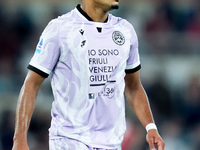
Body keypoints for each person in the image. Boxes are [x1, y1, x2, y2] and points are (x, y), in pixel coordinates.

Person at [12, 0, 165, 150]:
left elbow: (133, 87)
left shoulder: (125, 30)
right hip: (69, 140)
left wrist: (151, 127)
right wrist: (19, 140)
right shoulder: (60, 29)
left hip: (112, 143)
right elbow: (31, 84)